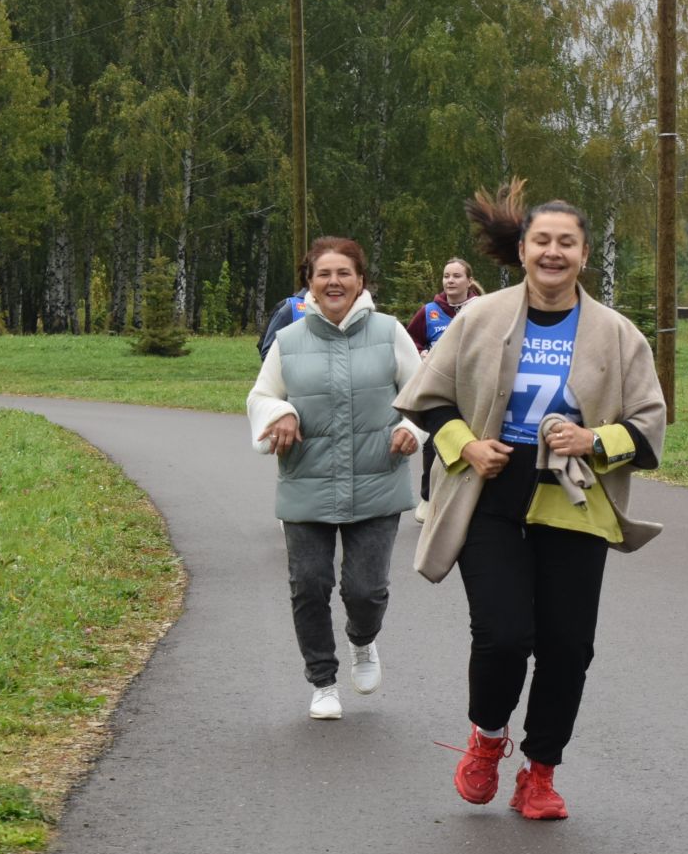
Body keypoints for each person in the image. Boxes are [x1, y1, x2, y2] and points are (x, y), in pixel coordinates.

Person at [395, 181, 666, 820]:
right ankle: (488, 739)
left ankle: (540, 772)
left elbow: (650, 429)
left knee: (568, 645)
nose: (552, 253)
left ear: (584, 253)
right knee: (503, 634)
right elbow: (428, 401)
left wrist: (594, 438)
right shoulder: (480, 319)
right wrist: (467, 448)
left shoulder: (617, 334)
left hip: (573, 496)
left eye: (565, 243)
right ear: (522, 251)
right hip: (492, 491)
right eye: (541, 241)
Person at [247, 237, 424, 721]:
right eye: (323, 274)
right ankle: (322, 682)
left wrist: (410, 428)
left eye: (344, 273)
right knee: (309, 583)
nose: (334, 282)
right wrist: (280, 411)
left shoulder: (390, 333)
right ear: (309, 283)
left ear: (361, 281)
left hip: (378, 479)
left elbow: (423, 395)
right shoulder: (289, 340)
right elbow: (261, 395)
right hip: (307, 479)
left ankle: (363, 642)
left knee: (365, 591)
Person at [403, 258, 485, 522]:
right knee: (436, 439)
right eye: (446, 276)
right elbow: (410, 340)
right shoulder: (429, 312)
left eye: (456, 276)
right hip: (439, 386)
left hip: (473, 387)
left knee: (474, 439)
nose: (450, 281)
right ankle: (428, 498)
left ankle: (473, 498)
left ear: (469, 281)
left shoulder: (481, 309)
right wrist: (421, 352)